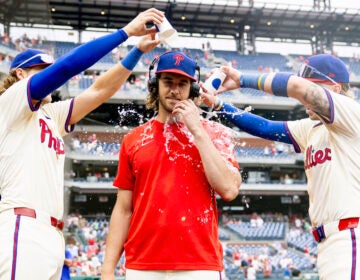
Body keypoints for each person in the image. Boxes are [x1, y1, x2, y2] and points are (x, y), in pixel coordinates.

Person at [0, 8, 164, 280]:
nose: (49, 75)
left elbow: (99, 91)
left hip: (51, 233)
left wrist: (136, 51)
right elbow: (66, 68)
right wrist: (124, 33)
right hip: (23, 226)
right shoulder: (11, 102)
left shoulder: (49, 114)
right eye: (42, 69)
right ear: (20, 74)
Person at [201, 54, 360, 280]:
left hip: (350, 236)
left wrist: (242, 79)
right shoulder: (311, 128)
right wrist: (218, 105)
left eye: (313, 86)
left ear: (335, 88)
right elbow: (265, 127)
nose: (304, 100)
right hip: (330, 242)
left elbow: (295, 86)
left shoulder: (350, 112)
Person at [101, 51, 242, 280]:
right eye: (167, 81)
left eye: (182, 83)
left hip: (199, 265)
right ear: (155, 85)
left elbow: (228, 189)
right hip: (142, 265)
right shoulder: (133, 139)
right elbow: (123, 209)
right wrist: (107, 270)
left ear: (193, 89)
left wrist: (197, 130)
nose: (175, 90)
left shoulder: (214, 134)